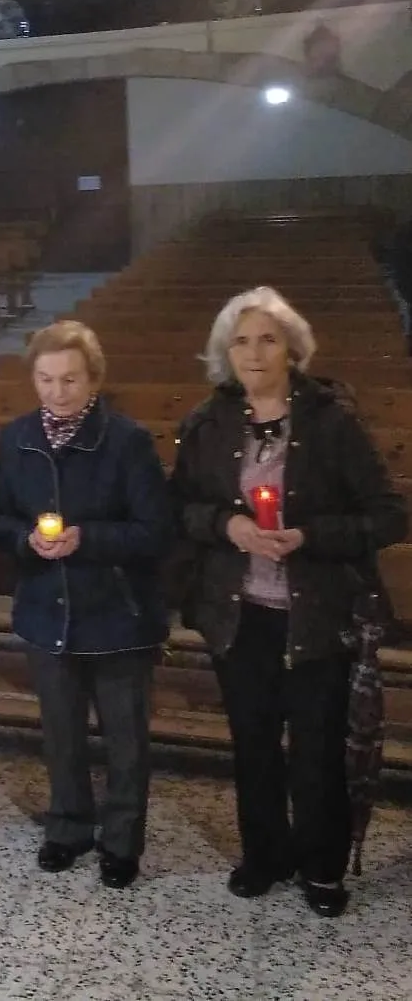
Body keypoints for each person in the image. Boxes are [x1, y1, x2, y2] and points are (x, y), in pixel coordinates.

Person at [172, 287, 407, 918]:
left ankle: (322, 866)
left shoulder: (332, 420)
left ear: (292, 349)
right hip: (240, 612)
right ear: (227, 351)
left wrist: (307, 536)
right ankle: (264, 856)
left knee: (316, 747)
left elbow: (388, 515)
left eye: (267, 339)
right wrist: (229, 526)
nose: (253, 351)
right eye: (242, 340)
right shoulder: (211, 421)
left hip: (318, 615)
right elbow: (181, 508)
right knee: (252, 743)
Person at [0, 320, 171, 889]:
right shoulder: (16, 440)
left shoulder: (127, 442)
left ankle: (121, 841)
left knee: (125, 737)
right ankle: (67, 827)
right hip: (48, 608)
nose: (57, 391)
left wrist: (87, 537)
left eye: (69, 379)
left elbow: (155, 532)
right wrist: (25, 540)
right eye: (45, 379)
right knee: (61, 731)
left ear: (93, 380)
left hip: (117, 610)